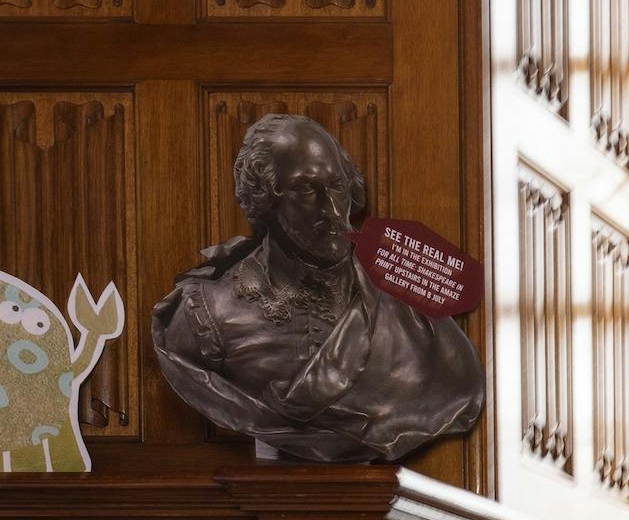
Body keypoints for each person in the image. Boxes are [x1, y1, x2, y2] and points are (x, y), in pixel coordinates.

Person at [150, 114, 483, 463]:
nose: (334, 212)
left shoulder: (406, 306)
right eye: (307, 189)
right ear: (264, 199)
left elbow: (460, 385)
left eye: (337, 187)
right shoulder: (208, 314)